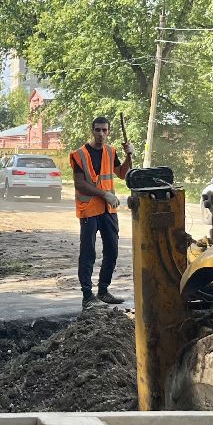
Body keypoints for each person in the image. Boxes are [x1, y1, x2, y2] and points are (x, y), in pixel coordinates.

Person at [70, 115, 133, 309]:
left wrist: (129, 155)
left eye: (104, 130)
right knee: (88, 252)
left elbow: (122, 174)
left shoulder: (111, 151)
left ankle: (103, 291)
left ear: (109, 132)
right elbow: (80, 184)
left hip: (108, 210)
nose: (101, 133)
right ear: (92, 131)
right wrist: (104, 194)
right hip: (89, 209)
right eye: (97, 130)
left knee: (112, 250)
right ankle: (87, 295)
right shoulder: (79, 154)